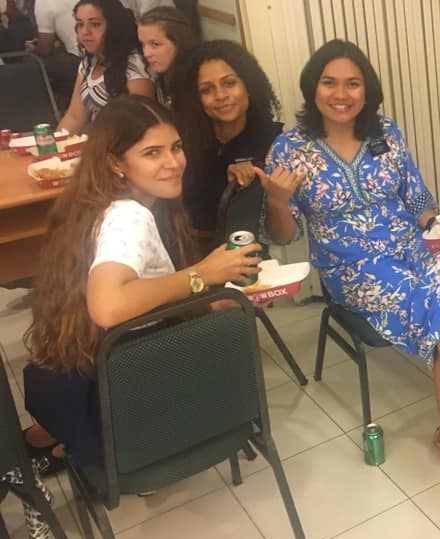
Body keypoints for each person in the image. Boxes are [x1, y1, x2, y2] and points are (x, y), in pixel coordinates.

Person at [261, 39, 440, 484]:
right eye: (329, 82)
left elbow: (416, 198)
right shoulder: (289, 149)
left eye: (353, 83)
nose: (341, 93)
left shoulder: (386, 134)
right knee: (438, 298)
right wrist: (277, 202)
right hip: (351, 267)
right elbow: (284, 234)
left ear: (367, 92)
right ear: (312, 88)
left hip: (410, 247)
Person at [21, 94, 261, 469]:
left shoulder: (110, 205)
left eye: (176, 147)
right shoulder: (129, 217)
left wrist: (207, 295)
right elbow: (108, 305)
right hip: (140, 403)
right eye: (152, 153)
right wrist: (201, 276)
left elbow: (147, 295)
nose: (173, 162)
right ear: (115, 162)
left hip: (104, 377)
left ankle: (42, 442)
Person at [172, 40, 282, 247]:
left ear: (248, 85)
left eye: (229, 83)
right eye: (207, 90)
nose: (221, 96)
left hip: (249, 252)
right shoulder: (180, 142)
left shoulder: (273, 139)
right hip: (190, 252)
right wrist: (224, 177)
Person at [57, 0, 154, 134]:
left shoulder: (135, 65)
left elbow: (139, 126)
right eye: (80, 24)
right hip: (98, 144)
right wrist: (55, 147)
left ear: (113, 26)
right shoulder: (88, 62)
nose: (85, 31)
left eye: (95, 24)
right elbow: (74, 117)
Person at [137, 5, 195, 107]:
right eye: (143, 44)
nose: (146, 53)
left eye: (155, 44)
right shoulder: (162, 76)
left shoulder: (195, 83)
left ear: (179, 42)